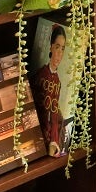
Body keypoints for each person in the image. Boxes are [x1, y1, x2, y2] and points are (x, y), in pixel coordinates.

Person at [31, 24, 67, 156]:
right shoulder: (39, 75)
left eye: (62, 49)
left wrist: (54, 141)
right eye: (57, 47)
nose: (59, 54)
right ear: (51, 47)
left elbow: (54, 114)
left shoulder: (57, 82)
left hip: (50, 140)